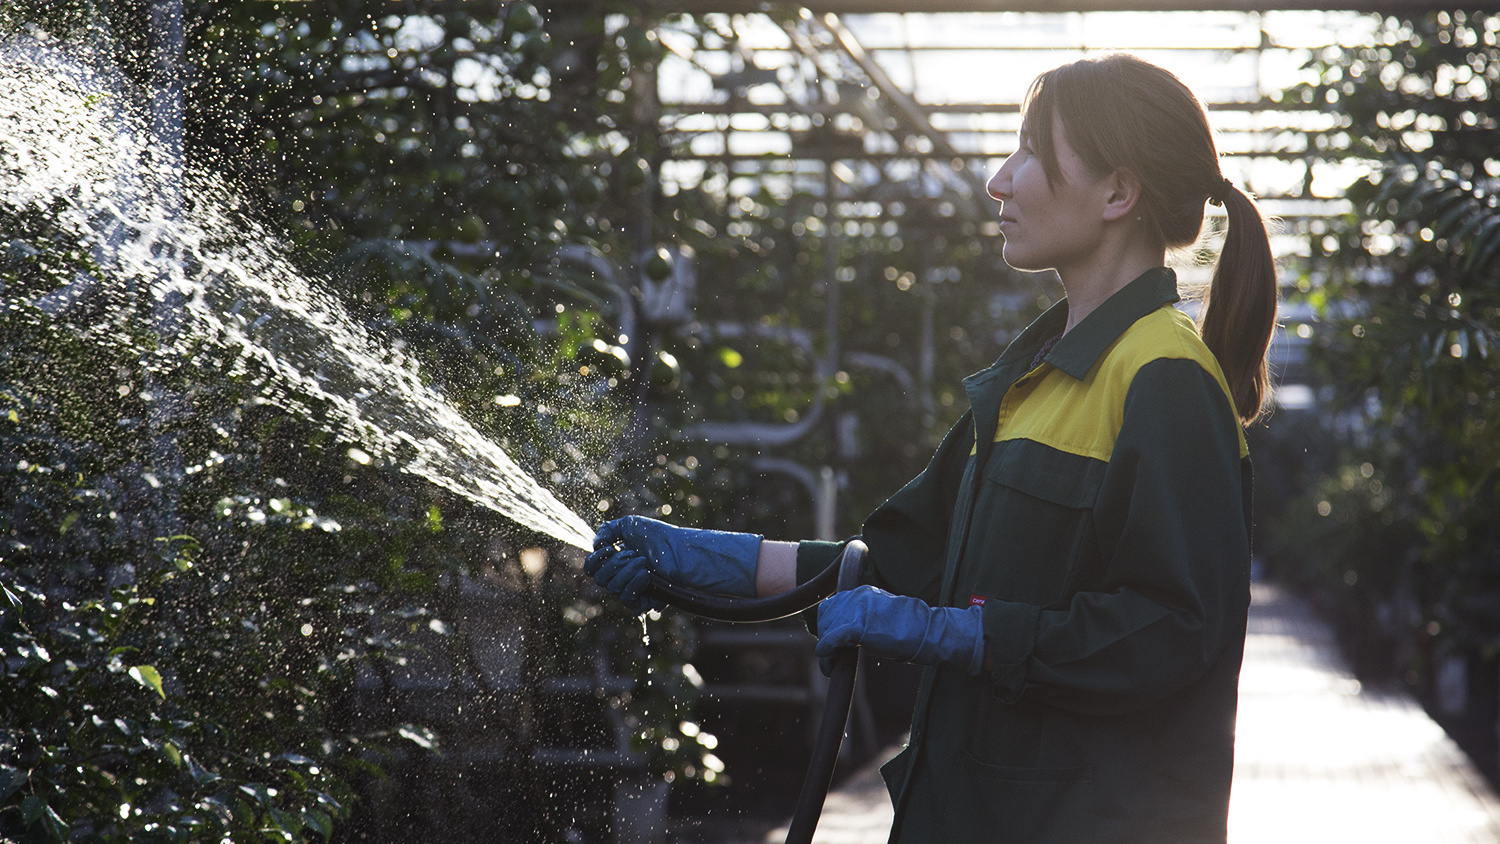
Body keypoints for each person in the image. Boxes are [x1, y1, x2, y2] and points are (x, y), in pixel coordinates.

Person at [586, 52, 1276, 844]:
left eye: (1030, 153)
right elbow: (885, 564)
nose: (1000, 180)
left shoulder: (1163, 378)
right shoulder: (1032, 383)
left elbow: (1171, 631)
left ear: (1119, 192)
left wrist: (965, 634)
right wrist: (697, 563)